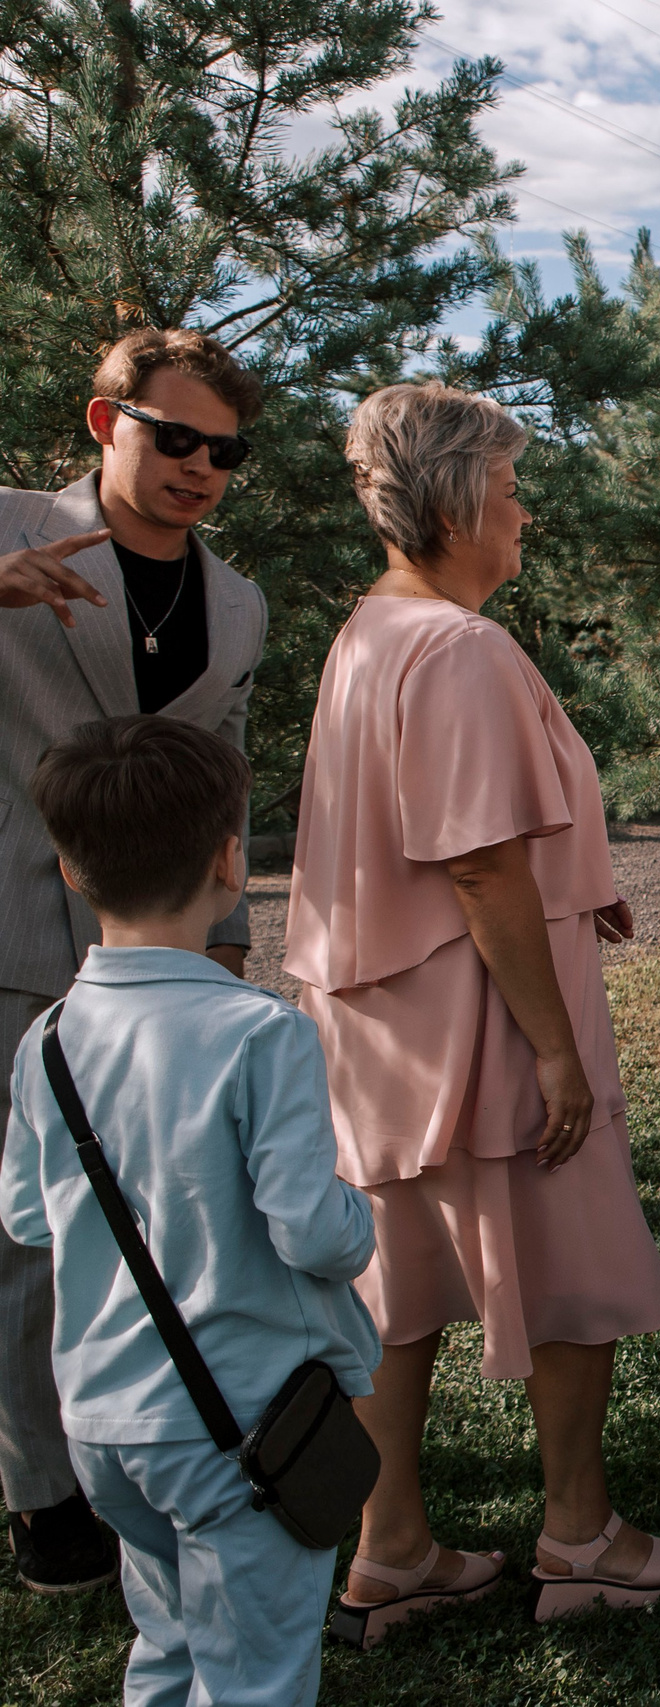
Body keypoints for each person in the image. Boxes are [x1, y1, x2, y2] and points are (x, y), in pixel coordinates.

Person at [284, 382, 660, 1642]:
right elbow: (476, 863)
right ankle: (582, 1536)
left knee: (397, 1281)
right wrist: (556, 1051)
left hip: (381, 1018)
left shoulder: (374, 630)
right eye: (511, 489)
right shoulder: (462, 649)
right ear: (458, 498)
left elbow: (438, 837)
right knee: (571, 1260)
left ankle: (391, 1544)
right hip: (481, 1010)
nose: (524, 514)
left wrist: (585, 889)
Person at [2, 716, 378, 1707]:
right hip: (240, 1423)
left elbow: (27, 1218)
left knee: (167, 1642)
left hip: (103, 1424)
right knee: (256, 1673)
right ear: (227, 860)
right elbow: (309, 1230)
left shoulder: (46, 1040)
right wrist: (362, 1218)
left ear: (70, 873)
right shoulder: (260, 1034)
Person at [0, 328, 270, 1593]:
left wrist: (225, 934)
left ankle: (151, 1453)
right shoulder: (8, 527)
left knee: (162, 1215)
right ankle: (45, 1496)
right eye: (175, 437)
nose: (200, 468)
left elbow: (226, 774)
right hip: (14, 929)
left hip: (166, 954)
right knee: (24, 1240)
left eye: (224, 451)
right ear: (107, 421)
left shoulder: (241, 601)